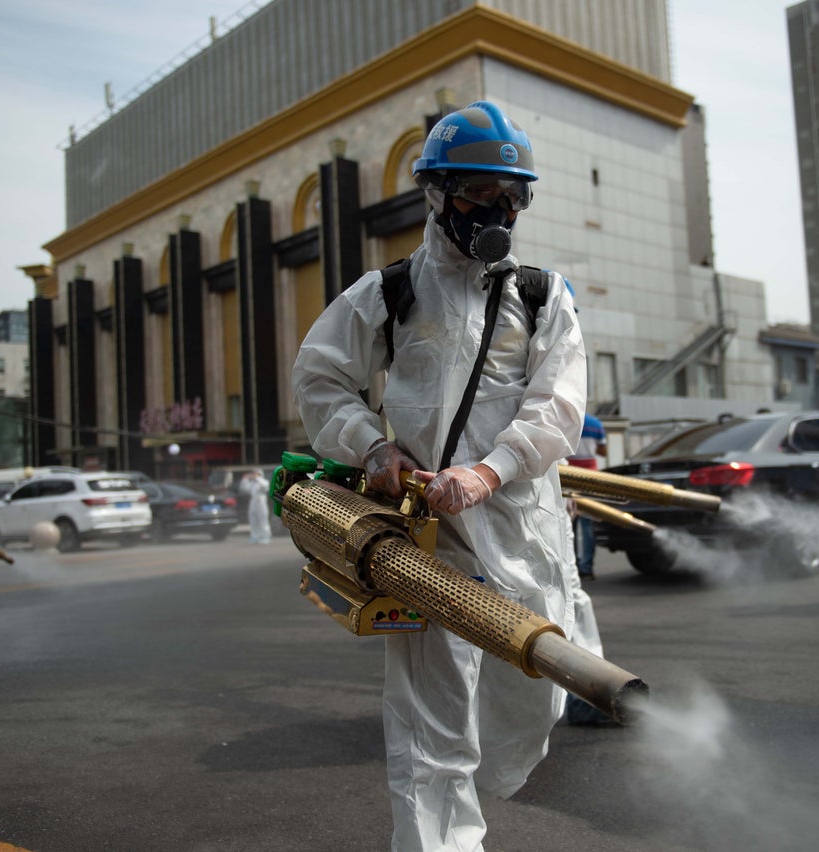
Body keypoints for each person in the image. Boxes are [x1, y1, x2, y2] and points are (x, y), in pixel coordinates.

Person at [292, 101, 588, 851]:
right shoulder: (388, 294)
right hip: (429, 538)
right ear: (437, 193)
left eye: (512, 195)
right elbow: (321, 378)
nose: (498, 210)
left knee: (534, 700)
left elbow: (559, 408)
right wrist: (372, 448)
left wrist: (491, 472)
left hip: (524, 533)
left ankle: (480, 784)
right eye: (480, 194)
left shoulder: (542, 297)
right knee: (430, 733)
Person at [568, 412, 607, 580]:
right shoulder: (596, 423)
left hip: (569, 475)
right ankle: (587, 567)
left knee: (570, 524)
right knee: (588, 525)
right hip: (590, 477)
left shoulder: (569, 419)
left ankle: (574, 566)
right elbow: (603, 451)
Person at [238, 468, 271, 544]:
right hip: (253, 502)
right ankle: (255, 536)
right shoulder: (252, 483)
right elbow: (243, 488)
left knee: (263, 520)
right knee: (253, 520)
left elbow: (265, 487)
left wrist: (257, 478)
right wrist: (245, 479)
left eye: (255, 473)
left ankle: (265, 537)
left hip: (261, 502)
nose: (253, 475)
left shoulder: (263, 481)